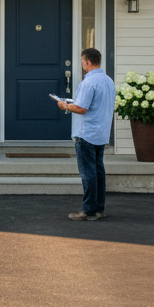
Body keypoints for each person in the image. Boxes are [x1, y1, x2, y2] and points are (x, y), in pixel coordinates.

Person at [58, 47, 115, 221]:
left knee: (88, 173)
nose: (82, 64)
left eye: (83, 61)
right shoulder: (108, 81)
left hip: (86, 133)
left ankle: (89, 210)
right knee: (98, 171)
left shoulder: (88, 82)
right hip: (101, 132)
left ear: (87, 62)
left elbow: (81, 108)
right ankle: (99, 208)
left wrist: (65, 105)